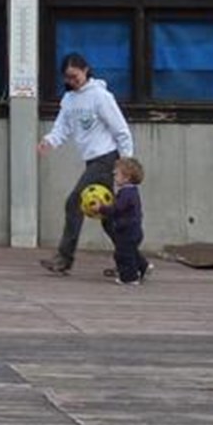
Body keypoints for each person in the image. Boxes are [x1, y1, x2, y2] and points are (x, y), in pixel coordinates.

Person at [37, 51, 135, 275]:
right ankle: (135, 261)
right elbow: (62, 127)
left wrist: (126, 160)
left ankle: (64, 258)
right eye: (67, 77)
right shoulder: (69, 100)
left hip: (106, 158)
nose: (72, 81)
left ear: (86, 71)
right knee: (108, 216)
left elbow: (120, 129)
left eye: (75, 76)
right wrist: (49, 141)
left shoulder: (100, 97)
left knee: (74, 202)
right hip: (91, 161)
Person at [98, 156, 149, 284]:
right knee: (131, 252)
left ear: (126, 177)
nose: (114, 175)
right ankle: (143, 267)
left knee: (123, 254)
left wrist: (101, 208)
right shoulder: (131, 191)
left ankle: (130, 278)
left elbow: (117, 208)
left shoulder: (126, 193)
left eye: (117, 174)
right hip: (132, 230)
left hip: (128, 230)